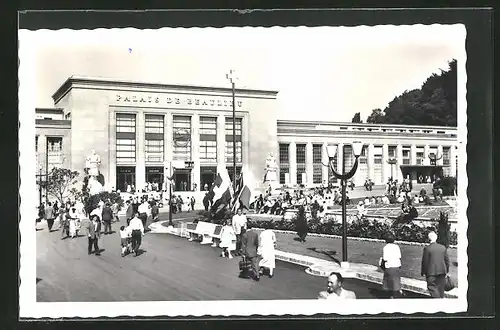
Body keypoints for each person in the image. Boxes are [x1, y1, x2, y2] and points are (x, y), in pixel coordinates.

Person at [421, 231, 449, 298]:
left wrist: (423, 272)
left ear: (428, 239)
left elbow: (425, 262)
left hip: (431, 273)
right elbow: (447, 261)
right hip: (442, 271)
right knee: (441, 290)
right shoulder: (443, 247)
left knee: (432, 288)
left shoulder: (427, 249)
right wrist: (446, 271)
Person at [380, 233, 402, 298]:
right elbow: (399, 256)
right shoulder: (396, 246)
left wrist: (381, 263)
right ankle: (397, 291)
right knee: (396, 280)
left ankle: (391, 295)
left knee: (389, 281)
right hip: (397, 265)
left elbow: (385, 258)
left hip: (389, 266)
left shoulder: (386, 247)